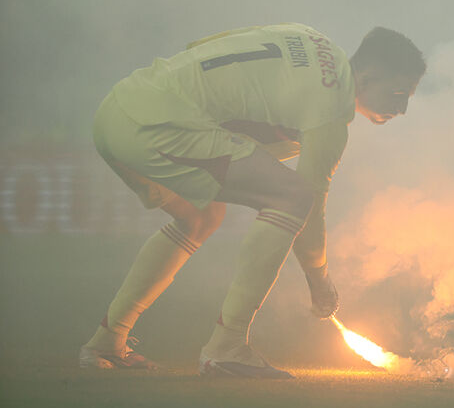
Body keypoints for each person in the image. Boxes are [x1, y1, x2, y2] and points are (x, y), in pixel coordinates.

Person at [78, 23, 425, 379]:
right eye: (398, 93)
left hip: (120, 107)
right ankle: (226, 347)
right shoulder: (331, 110)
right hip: (156, 126)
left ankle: (107, 341)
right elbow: (310, 209)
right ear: (366, 78)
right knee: (291, 196)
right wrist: (320, 282)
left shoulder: (307, 35)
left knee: (200, 218)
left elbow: (202, 43)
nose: (402, 109)